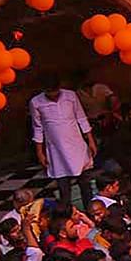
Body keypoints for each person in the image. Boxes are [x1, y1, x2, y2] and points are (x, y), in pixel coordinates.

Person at [30, 77, 96, 208]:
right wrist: (40, 152)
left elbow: (81, 118)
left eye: (56, 91)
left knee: (85, 185)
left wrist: (91, 140)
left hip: (77, 146)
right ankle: (66, 217)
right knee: (64, 190)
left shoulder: (70, 96)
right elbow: (37, 128)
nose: (54, 95)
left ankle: (91, 213)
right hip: (56, 151)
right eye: (50, 93)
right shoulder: (36, 102)